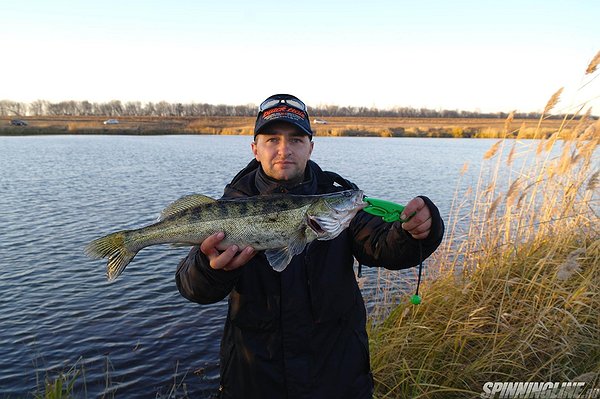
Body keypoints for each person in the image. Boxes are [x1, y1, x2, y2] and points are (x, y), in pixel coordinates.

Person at [176, 94, 444, 399]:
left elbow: (385, 246)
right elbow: (191, 286)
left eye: (296, 140)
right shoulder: (229, 205)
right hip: (254, 381)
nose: (284, 150)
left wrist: (415, 231)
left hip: (337, 378)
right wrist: (211, 270)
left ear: (311, 147)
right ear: (255, 148)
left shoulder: (338, 201)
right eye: (272, 139)